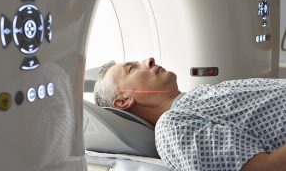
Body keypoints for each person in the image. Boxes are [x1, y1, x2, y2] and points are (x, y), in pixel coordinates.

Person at [93, 57, 286, 171]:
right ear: (124, 101)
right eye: (132, 69)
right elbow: (265, 169)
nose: (149, 60)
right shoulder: (173, 128)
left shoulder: (197, 97)